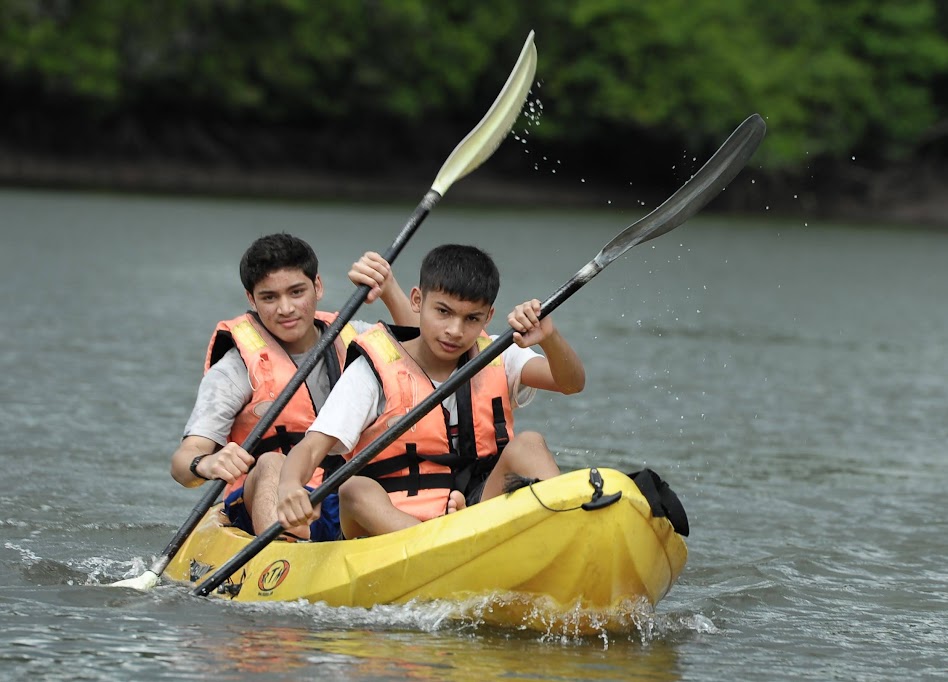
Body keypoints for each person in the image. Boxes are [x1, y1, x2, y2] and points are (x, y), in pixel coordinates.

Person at [276, 244, 586, 539]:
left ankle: (571, 532)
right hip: (390, 526)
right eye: (443, 312)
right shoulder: (372, 372)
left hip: (473, 511)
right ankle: (447, 543)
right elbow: (311, 447)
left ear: (488, 317)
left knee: (529, 444)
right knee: (354, 489)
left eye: (471, 319)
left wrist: (549, 336)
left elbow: (572, 383)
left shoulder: (498, 356)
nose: (455, 330)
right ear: (416, 301)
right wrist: (291, 485)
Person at [170, 232, 416, 541]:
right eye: (269, 297)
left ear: (318, 287)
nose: (285, 308)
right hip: (265, 502)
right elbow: (182, 463)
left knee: (366, 485)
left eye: (297, 292)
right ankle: (284, 551)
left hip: (342, 497)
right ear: (251, 300)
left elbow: (420, 348)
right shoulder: (236, 368)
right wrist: (206, 462)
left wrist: (389, 288)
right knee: (273, 462)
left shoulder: (355, 339)